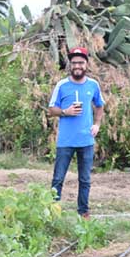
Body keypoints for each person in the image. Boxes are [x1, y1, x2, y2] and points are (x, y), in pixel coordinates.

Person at [48, 47, 105, 218]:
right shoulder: (62, 85)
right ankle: (52, 212)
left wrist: (97, 124)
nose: (77, 66)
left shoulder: (93, 85)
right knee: (58, 178)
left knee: (85, 180)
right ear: (70, 65)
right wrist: (66, 112)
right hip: (65, 141)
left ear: (86, 64)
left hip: (86, 140)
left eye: (80, 62)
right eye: (74, 63)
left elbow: (100, 105)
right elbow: (51, 109)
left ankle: (83, 212)